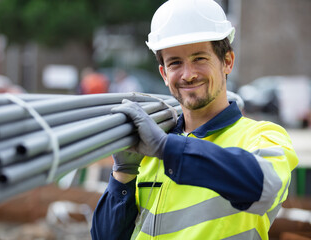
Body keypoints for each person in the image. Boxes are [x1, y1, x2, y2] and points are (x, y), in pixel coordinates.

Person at [91, 0, 298, 239]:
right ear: (164, 74)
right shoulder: (147, 149)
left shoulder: (262, 136)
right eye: (175, 63)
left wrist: (167, 149)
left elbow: (265, 187)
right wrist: (124, 174)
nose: (188, 74)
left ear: (227, 61)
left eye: (200, 58)